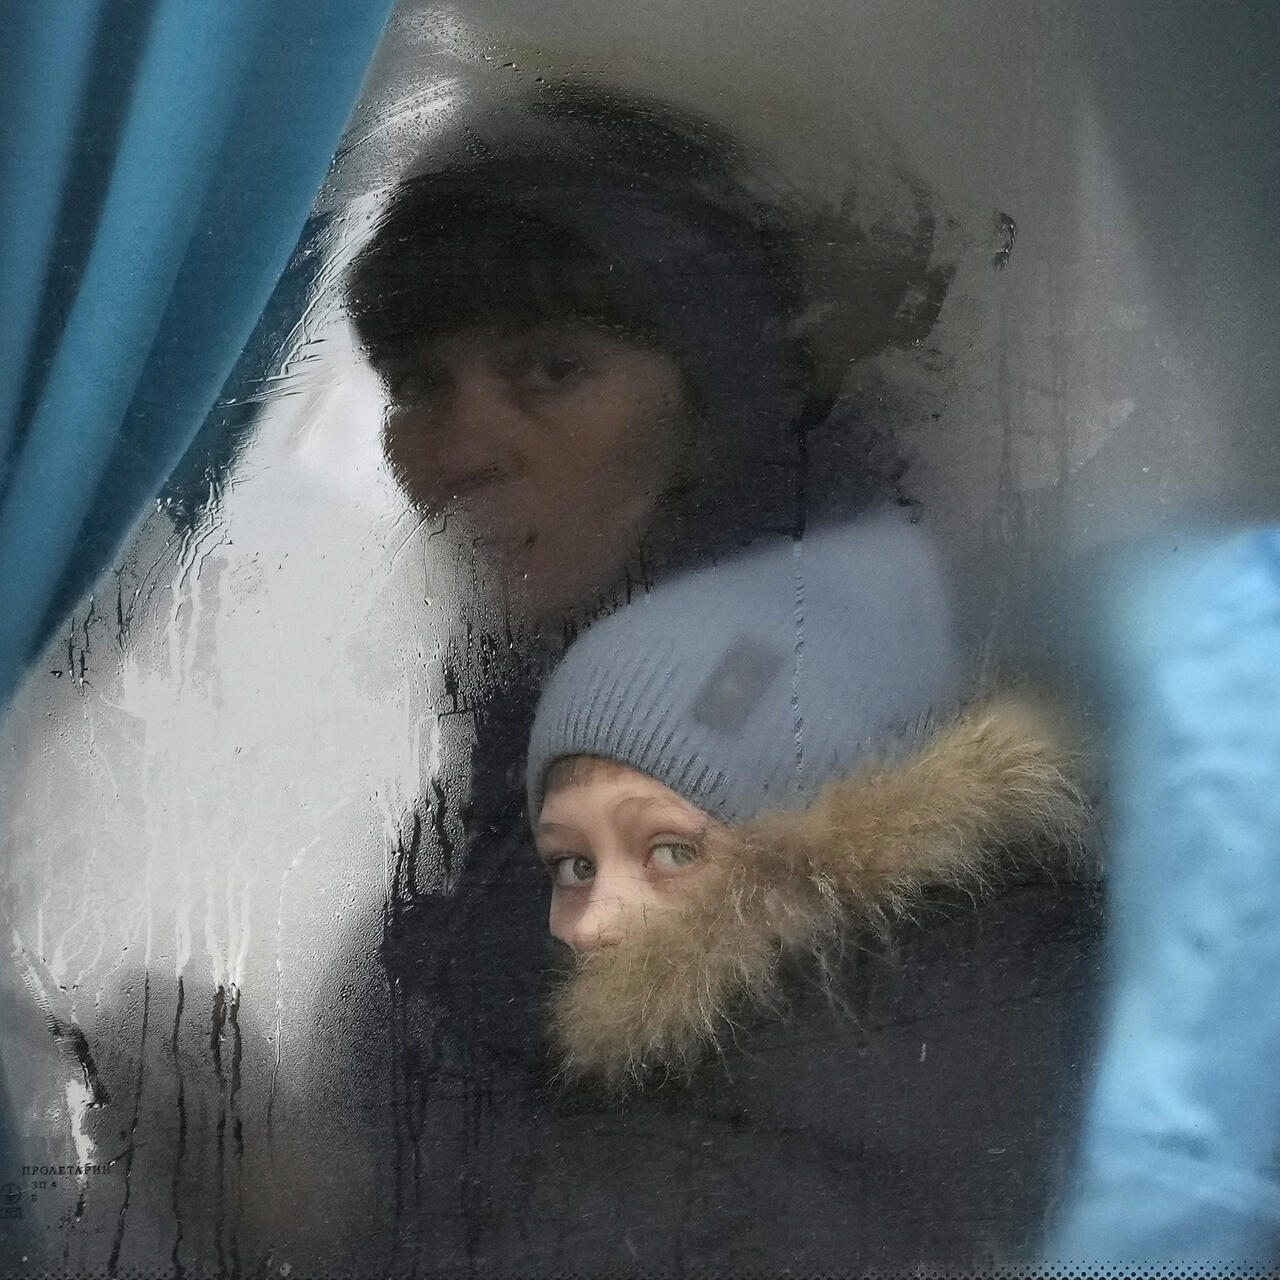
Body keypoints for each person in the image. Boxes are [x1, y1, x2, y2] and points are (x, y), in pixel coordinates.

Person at [339, 81, 969, 1271]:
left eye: (550, 368)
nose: (453, 452)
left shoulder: (791, 710)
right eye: (421, 386)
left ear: (713, 389)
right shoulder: (561, 688)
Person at [502, 512, 1103, 1273]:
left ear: (827, 859)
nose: (592, 925)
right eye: (573, 866)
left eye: (671, 850)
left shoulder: (815, 1135)